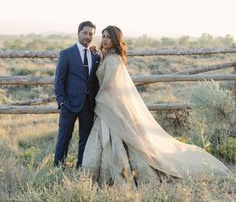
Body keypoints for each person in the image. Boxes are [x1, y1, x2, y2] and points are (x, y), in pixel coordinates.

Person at [81, 25, 231, 185]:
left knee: (122, 142)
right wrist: (96, 54)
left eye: (108, 37)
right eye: (103, 36)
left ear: (116, 39)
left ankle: (117, 177)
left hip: (111, 105)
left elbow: (109, 85)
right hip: (107, 104)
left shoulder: (114, 59)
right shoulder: (106, 56)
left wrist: (96, 102)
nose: (104, 39)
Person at [54, 21, 100, 169]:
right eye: (85, 33)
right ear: (78, 33)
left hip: (88, 104)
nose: (87, 36)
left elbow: (94, 81)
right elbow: (59, 80)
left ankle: (81, 167)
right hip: (69, 103)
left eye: (91, 34)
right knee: (64, 138)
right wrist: (61, 101)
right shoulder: (67, 54)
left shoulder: (95, 56)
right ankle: (58, 167)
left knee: (85, 139)